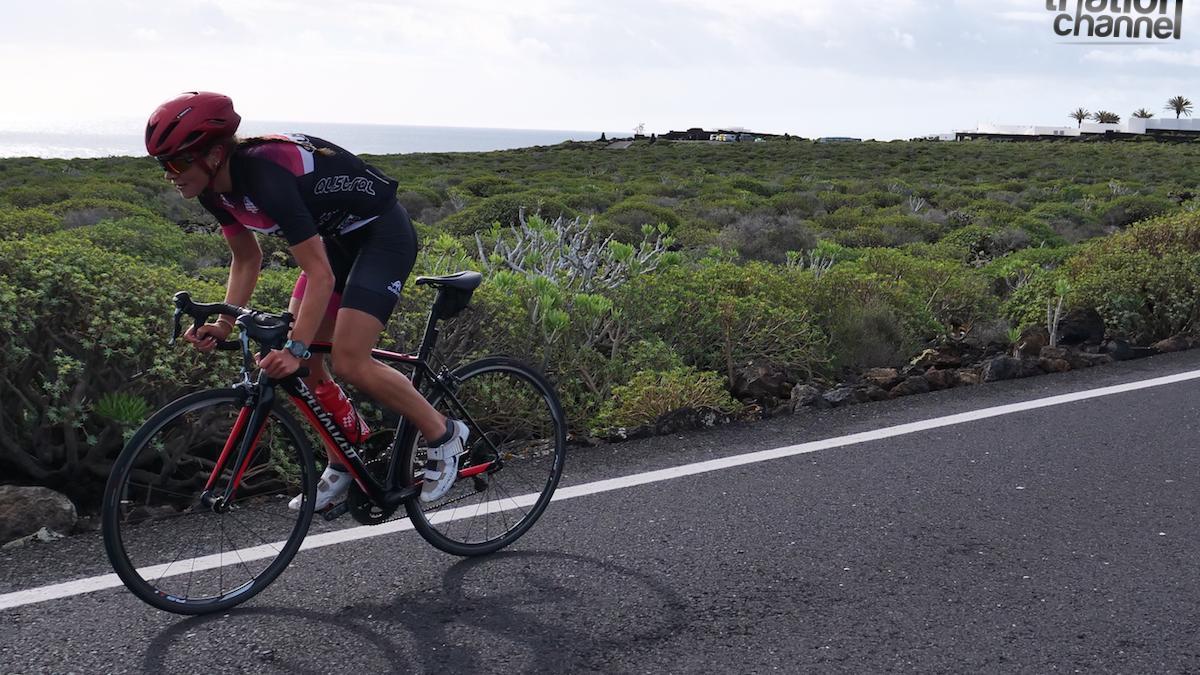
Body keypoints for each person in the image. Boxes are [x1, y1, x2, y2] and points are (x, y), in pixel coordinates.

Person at [145, 91, 467, 507]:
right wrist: (224, 324)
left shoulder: (265, 177)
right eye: (162, 164)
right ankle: (343, 464)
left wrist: (295, 346)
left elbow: (319, 273)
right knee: (309, 363)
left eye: (178, 161)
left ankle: (443, 432)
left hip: (380, 235)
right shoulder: (212, 190)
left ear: (214, 153)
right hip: (335, 242)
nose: (170, 174)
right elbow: (246, 258)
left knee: (349, 359)